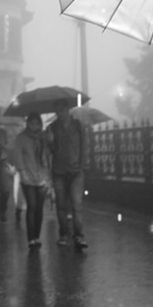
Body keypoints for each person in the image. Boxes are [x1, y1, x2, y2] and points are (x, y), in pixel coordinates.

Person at [46, 100, 88, 249]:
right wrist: (50, 142)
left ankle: (79, 236)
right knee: (61, 205)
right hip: (59, 172)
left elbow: (84, 147)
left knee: (77, 204)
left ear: (68, 109)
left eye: (62, 109)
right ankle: (63, 234)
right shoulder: (52, 128)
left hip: (76, 172)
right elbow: (50, 152)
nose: (60, 113)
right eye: (57, 110)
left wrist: (82, 166)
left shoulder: (78, 126)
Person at [11, 112, 52, 249]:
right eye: (32, 123)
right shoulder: (21, 138)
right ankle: (30, 239)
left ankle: (36, 236)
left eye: (37, 123)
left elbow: (48, 155)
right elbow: (18, 156)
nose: (35, 126)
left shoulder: (42, 138)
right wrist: (22, 172)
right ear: (28, 124)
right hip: (27, 177)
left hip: (41, 177)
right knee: (32, 206)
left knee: (39, 207)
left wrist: (49, 140)